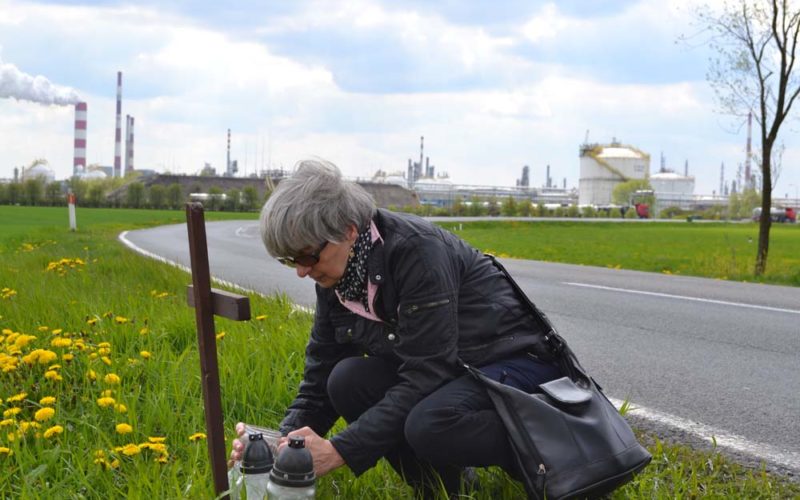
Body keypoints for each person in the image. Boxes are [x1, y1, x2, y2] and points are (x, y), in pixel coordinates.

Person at [229, 159, 564, 498]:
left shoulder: (417, 253)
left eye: (306, 257)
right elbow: (320, 379)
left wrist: (340, 450)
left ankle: (555, 459)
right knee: (346, 380)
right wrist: (280, 444)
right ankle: (446, 490)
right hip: (458, 371)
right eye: (289, 261)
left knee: (429, 423)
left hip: (515, 365)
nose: (301, 271)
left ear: (348, 231)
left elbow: (427, 374)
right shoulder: (337, 278)